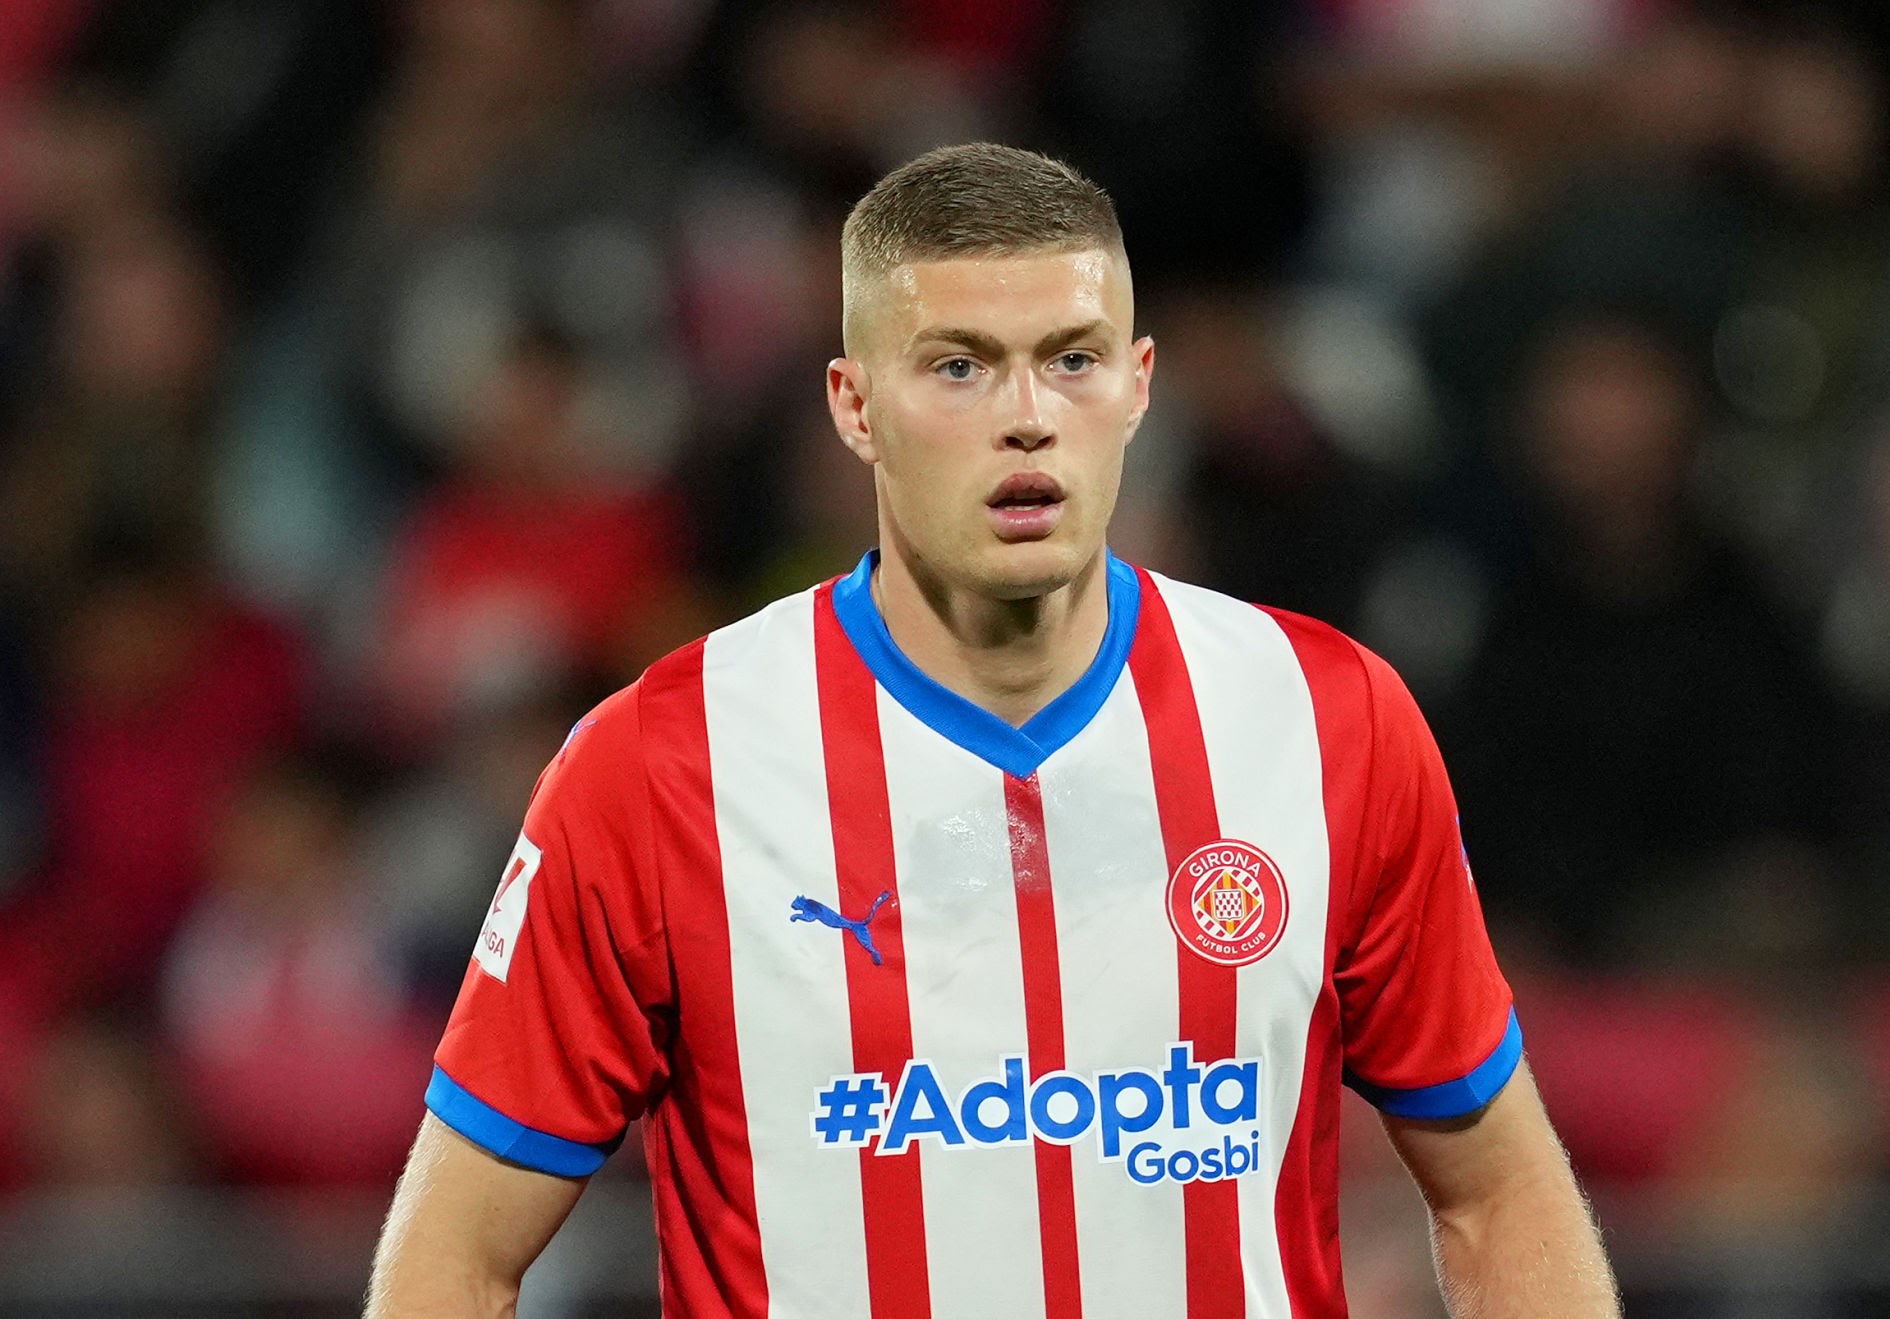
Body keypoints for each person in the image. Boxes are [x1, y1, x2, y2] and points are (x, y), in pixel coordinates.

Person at [365, 143, 1619, 1318]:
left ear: (1136, 385)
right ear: (854, 407)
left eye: (1070, 358)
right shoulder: (659, 766)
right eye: (957, 365)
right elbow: (453, 1255)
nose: (1026, 413)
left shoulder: (1324, 718)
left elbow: (1499, 1190)